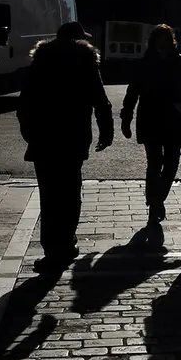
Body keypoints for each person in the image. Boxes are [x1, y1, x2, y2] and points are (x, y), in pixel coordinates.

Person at [17, 22, 113, 273]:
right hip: (73, 135)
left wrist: (29, 132)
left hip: (44, 136)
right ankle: (67, 242)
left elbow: (25, 100)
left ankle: (51, 250)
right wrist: (106, 131)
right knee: (70, 191)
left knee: (49, 195)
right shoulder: (85, 60)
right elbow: (99, 99)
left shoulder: (40, 60)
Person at [120, 24, 181, 224]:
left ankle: (156, 198)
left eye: (167, 37)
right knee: (155, 163)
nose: (164, 41)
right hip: (153, 118)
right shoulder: (145, 63)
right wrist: (126, 118)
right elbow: (132, 91)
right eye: (161, 37)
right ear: (153, 41)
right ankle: (156, 201)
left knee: (170, 163)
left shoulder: (178, 61)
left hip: (170, 118)